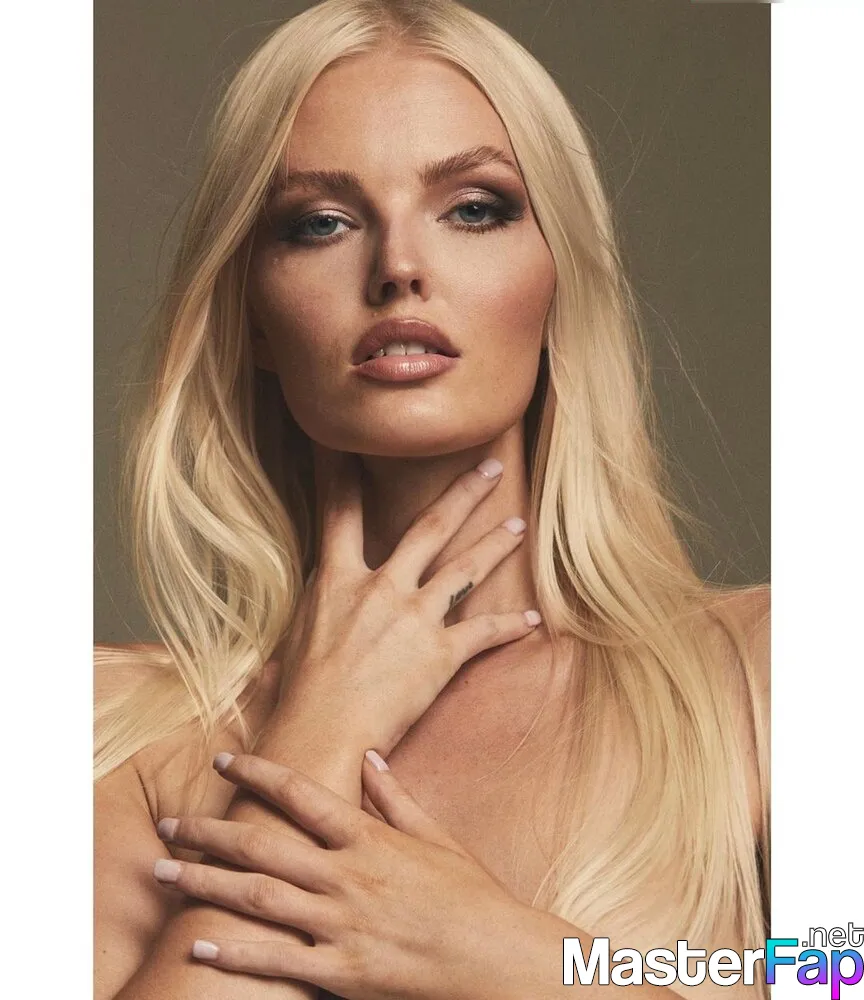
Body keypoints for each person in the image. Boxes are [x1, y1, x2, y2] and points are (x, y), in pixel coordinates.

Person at [94, 1, 770, 998]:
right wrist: (322, 726)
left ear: (559, 277)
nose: (399, 268)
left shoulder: (764, 677)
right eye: (320, 223)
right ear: (255, 320)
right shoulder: (109, 730)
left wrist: (508, 958)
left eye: (474, 209)